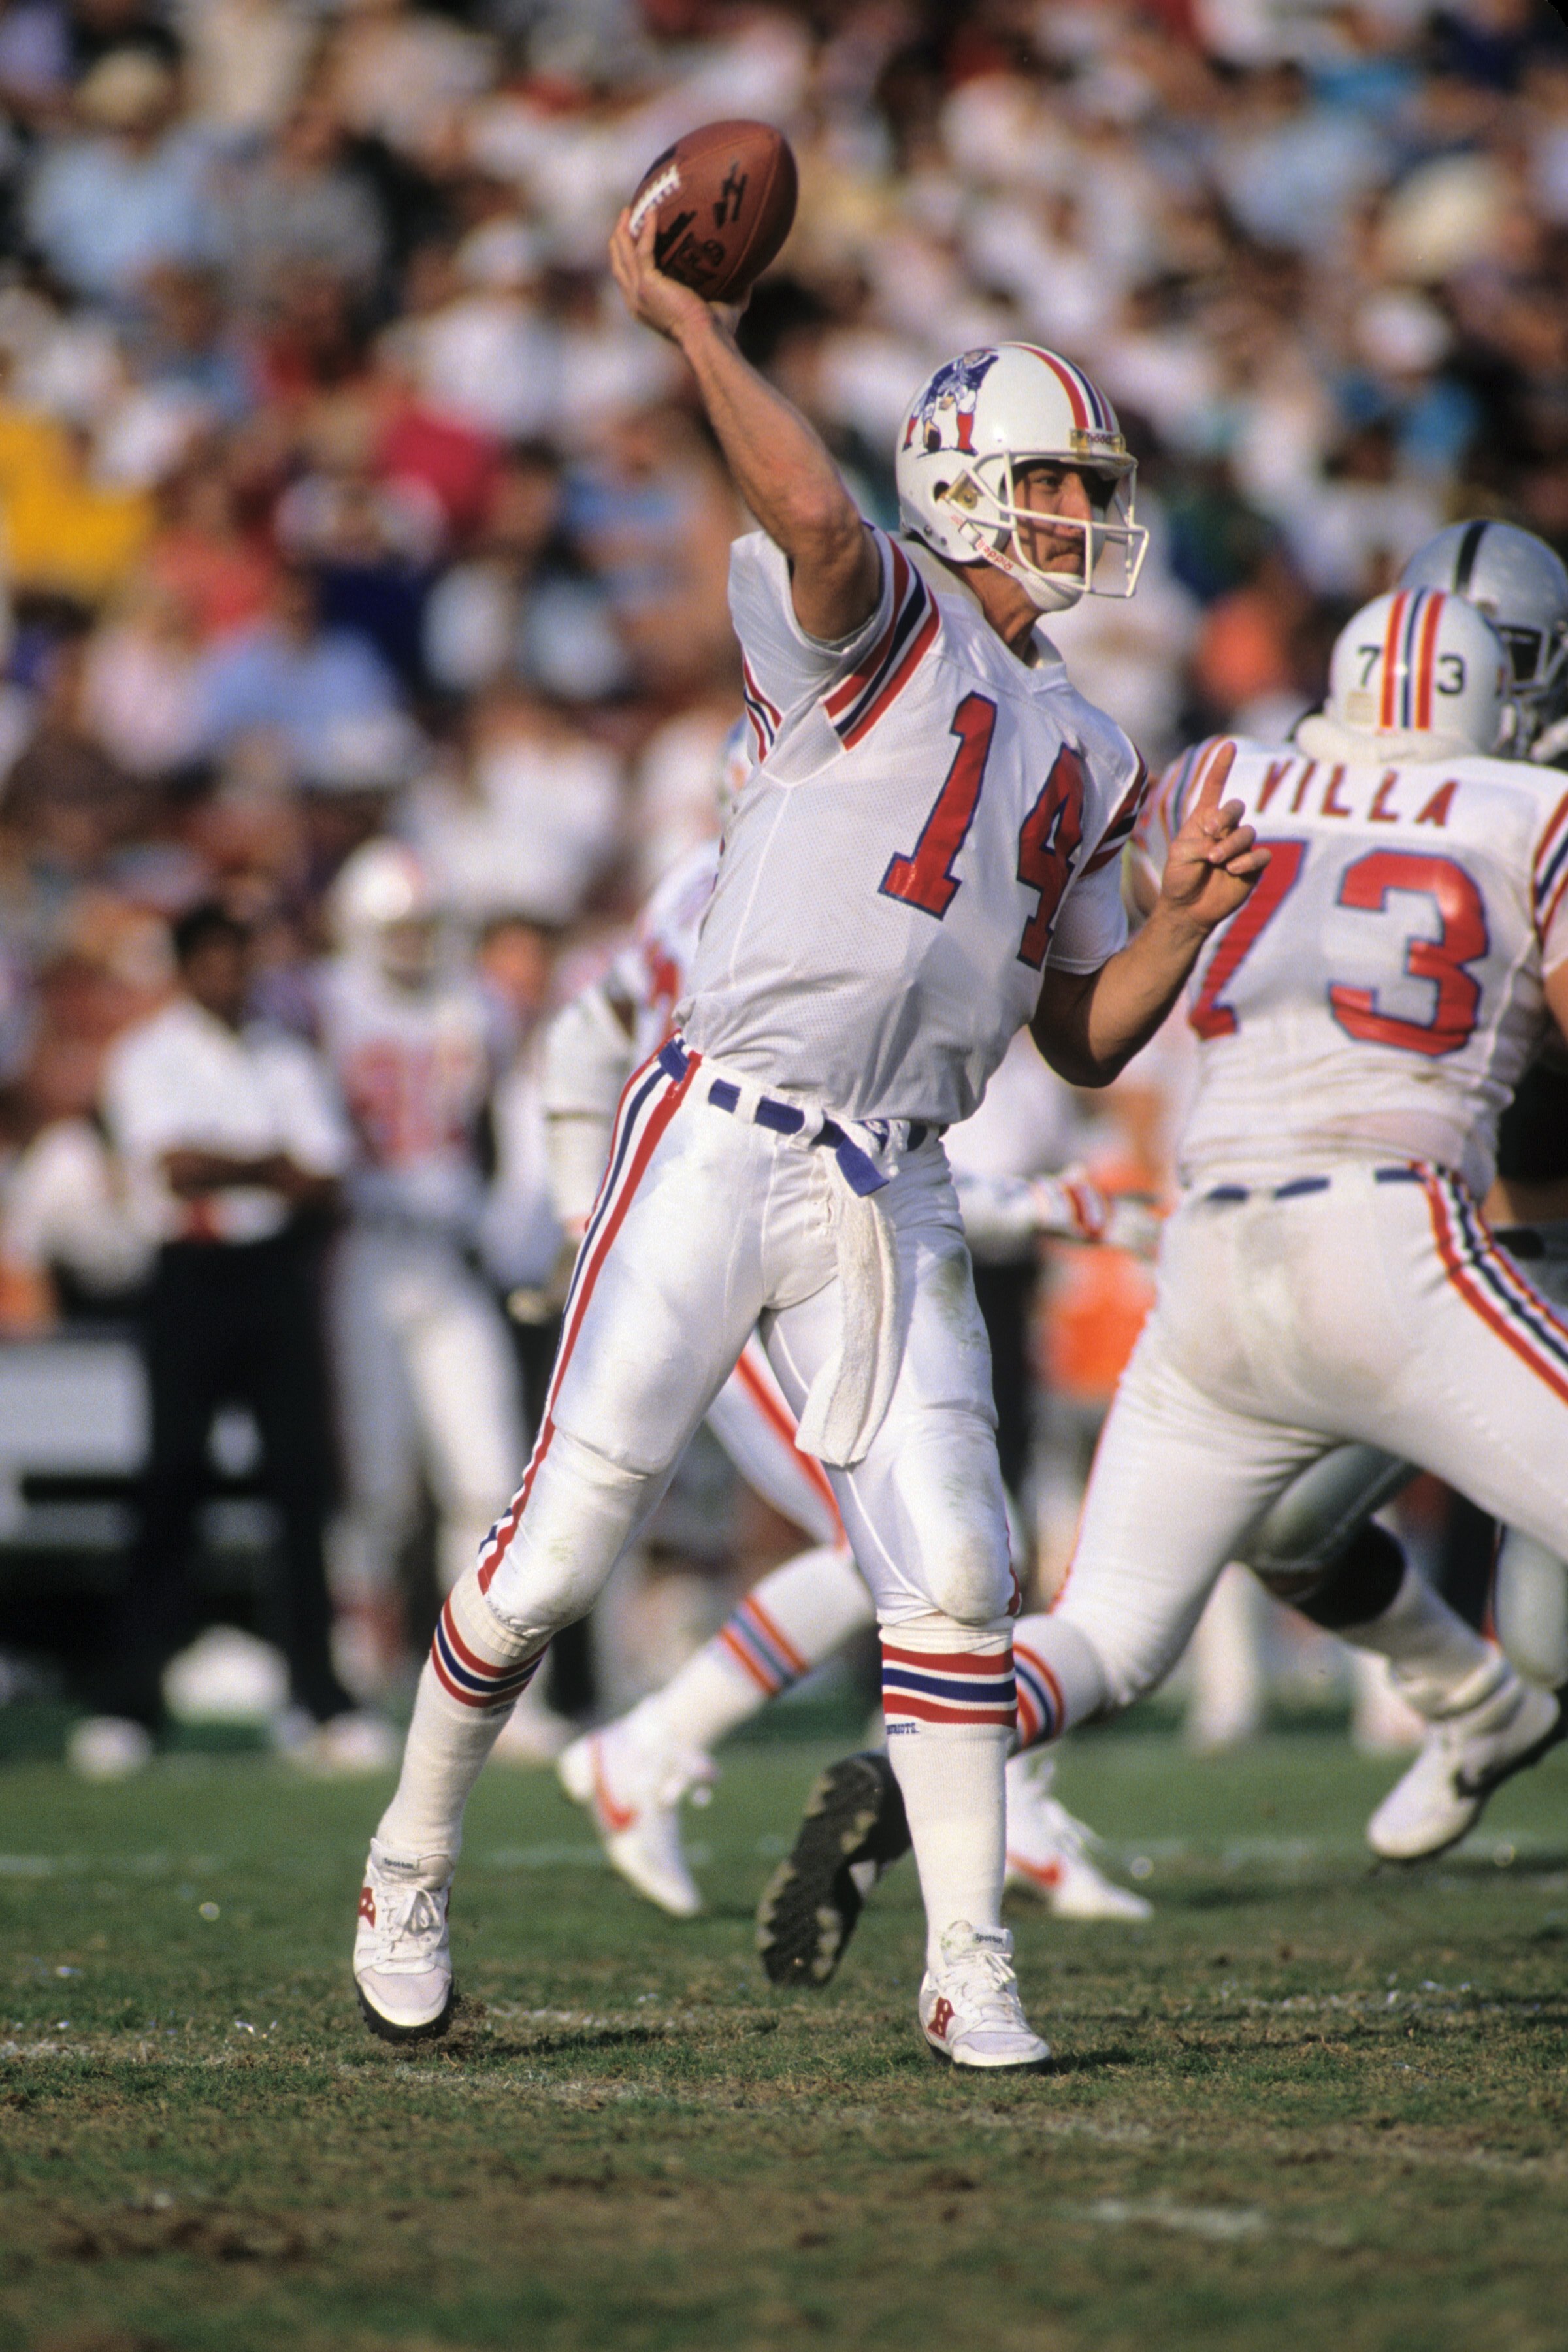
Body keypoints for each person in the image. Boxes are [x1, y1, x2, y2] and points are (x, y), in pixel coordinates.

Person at [352, 219, 1264, 2072]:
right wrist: (695, 324)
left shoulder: (1088, 743)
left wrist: (1179, 920)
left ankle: (964, 1958)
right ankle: (410, 1854)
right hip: (718, 1128)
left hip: (897, 1172)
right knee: (555, 1550)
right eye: (1054, 481)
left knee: (954, 1573)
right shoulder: (874, 608)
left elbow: (1079, 1040)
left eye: (1095, 484)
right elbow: (829, 531)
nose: (1088, 513)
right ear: (958, 479)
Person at [540, 749, 1150, 1925]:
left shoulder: (725, 889)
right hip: (724, 1245)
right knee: (888, 1540)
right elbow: (812, 1150)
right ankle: (651, 1748)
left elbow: (598, 1050)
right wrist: (588, 1222)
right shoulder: (750, 905)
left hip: (777, 1235)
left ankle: (972, 1800)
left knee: (948, 1544)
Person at [84, 902, 372, 1776]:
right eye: (211, 959)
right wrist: (268, 1167)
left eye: (239, 959)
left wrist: (245, 1167)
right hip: (191, 1274)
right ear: (182, 967)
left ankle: (318, 1698)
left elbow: (326, 1181)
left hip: (272, 1277)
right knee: (172, 1482)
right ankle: (134, 1701)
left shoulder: (284, 1055)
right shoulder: (149, 1055)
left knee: (299, 1484)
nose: (229, 976)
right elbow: (173, 1168)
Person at [318, 840, 566, 1757]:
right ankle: (352, 1690)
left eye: (425, 927)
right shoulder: (327, 1004)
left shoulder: (475, 1007)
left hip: (450, 1259)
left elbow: (507, 1129)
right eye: (397, 928)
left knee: (488, 1477)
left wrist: (506, 1238)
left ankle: (496, 1694)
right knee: (377, 1490)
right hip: (368, 1257)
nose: (414, 945)